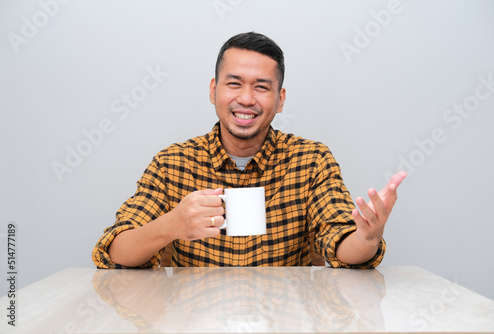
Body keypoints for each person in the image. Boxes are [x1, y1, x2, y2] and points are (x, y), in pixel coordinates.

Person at [92, 32, 406, 269]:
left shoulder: (311, 161)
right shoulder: (172, 164)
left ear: (280, 99)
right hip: (195, 321)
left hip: (286, 322)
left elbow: (343, 247)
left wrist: (367, 236)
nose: (246, 99)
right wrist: (172, 225)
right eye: (234, 84)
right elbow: (115, 253)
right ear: (214, 90)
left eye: (261, 87)